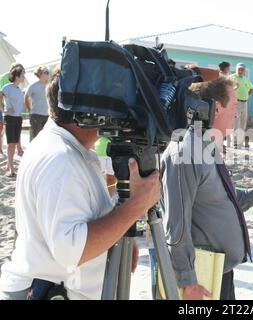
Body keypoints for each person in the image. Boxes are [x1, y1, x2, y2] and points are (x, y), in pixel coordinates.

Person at [0, 69, 161, 300]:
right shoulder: (61, 159)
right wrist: (135, 206)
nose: (116, 111)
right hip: (49, 293)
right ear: (88, 110)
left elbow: (81, 216)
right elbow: (72, 250)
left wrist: (116, 232)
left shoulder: (66, 148)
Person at [160, 77, 253, 300]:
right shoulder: (186, 151)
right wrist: (187, 280)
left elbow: (227, 200)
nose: (236, 114)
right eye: (233, 106)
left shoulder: (204, 146)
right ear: (217, 108)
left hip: (217, 272)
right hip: (197, 279)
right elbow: (176, 223)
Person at [0, 65, 26, 177]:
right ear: (17, 76)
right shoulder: (7, 87)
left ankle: (8, 165)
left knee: (14, 144)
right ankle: (11, 169)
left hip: (18, 118)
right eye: (23, 74)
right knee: (11, 144)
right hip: (10, 118)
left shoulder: (18, 89)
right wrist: (3, 109)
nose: (24, 76)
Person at [228, 63, 253, 147]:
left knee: (243, 122)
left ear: (244, 71)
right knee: (235, 123)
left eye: (242, 69)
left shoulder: (245, 79)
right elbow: (226, 87)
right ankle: (235, 142)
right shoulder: (232, 77)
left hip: (245, 102)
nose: (240, 71)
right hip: (236, 102)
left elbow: (251, 88)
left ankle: (240, 141)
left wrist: (247, 93)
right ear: (236, 69)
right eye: (239, 69)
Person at [25, 65, 50, 141]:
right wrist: (30, 110)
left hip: (48, 116)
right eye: (46, 72)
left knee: (45, 139)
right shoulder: (33, 86)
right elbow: (26, 97)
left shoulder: (50, 85)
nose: (48, 74)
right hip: (36, 115)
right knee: (35, 139)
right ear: (40, 74)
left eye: (48, 72)